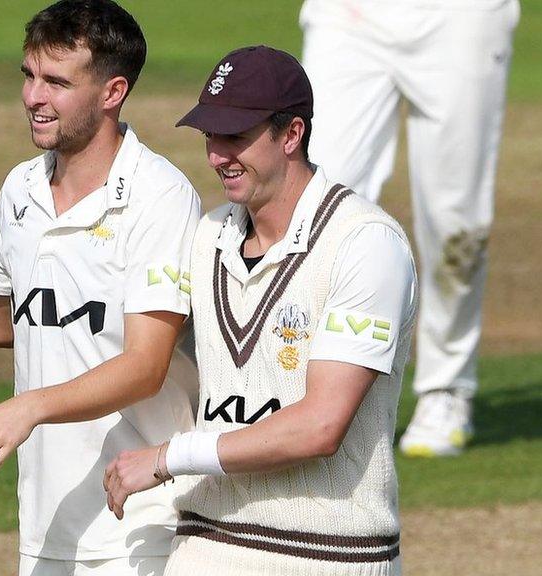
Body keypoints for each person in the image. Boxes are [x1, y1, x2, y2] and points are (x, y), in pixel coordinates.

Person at [0, 1, 201, 573]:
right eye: (29, 76)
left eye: (57, 82)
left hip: (141, 527)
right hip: (45, 525)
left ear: (112, 92)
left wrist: (28, 409)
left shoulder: (159, 196)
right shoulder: (20, 188)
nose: (33, 97)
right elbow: (6, 316)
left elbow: (146, 364)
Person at [104, 46, 418, 575]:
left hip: (328, 556)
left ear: (291, 134)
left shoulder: (366, 244)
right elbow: (126, 336)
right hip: (204, 546)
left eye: (236, 137)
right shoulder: (206, 237)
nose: (216, 156)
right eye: (211, 136)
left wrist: (168, 458)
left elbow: (321, 426)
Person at [299, 0, 520, 456]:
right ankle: (306, 379)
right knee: (317, 200)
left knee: (456, 224)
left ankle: (446, 389)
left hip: (462, 16)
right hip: (350, 14)